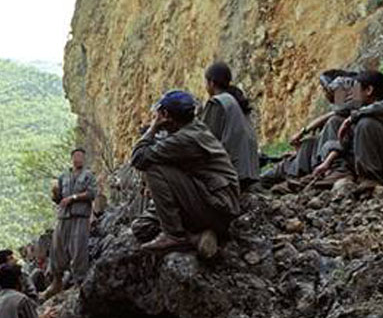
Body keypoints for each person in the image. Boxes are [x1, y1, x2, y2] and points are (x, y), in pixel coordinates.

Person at [130, 90, 240, 257]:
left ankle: (175, 235)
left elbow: (139, 158)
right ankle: (196, 238)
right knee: (142, 227)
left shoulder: (186, 139)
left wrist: (153, 127)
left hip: (218, 207)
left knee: (153, 167)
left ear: (165, 115)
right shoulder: (192, 128)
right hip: (212, 201)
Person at [261, 70, 357, 189]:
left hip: (335, 163)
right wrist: (303, 133)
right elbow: (331, 114)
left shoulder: (340, 120)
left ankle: (329, 173)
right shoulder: (339, 116)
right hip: (322, 159)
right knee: (307, 144)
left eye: (326, 90)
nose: (325, 93)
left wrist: (326, 163)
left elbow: (337, 146)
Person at [316, 71, 383, 186]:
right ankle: (339, 171)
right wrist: (326, 163)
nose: (354, 94)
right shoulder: (362, 107)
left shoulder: (379, 108)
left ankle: (371, 179)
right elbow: (343, 139)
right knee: (336, 121)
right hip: (364, 157)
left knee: (365, 123)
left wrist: (353, 116)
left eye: (356, 89)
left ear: (369, 90)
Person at [42, 148, 97, 300]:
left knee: (79, 249)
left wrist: (73, 197)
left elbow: (92, 193)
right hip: (63, 217)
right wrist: (55, 195)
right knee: (57, 248)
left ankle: (80, 284)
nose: (79, 159)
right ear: (72, 158)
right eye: (76, 156)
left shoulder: (89, 175)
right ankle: (56, 283)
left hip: (80, 216)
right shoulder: (63, 176)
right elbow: (59, 198)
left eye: (81, 156)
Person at [200, 62, 260, 191]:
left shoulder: (217, 102)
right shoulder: (236, 101)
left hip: (233, 174)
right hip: (251, 172)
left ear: (211, 83)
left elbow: (205, 140)